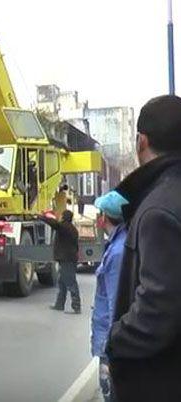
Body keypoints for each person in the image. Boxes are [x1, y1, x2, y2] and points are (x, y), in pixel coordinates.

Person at [106, 95, 181, 401]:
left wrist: (115, 341)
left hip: (159, 380)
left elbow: (157, 308)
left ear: (141, 142)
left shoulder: (158, 209)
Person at [91, 191, 129, 402]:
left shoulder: (117, 252)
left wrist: (111, 349)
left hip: (111, 342)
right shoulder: (117, 244)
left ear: (104, 217)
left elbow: (117, 304)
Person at [39, 209, 81, 313]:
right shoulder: (72, 229)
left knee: (70, 282)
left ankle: (76, 306)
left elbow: (54, 224)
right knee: (62, 283)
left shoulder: (65, 227)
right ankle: (59, 304)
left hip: (67, 259)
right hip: (69, 259)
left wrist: (41, 217)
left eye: (62, 216)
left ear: (64, 217)